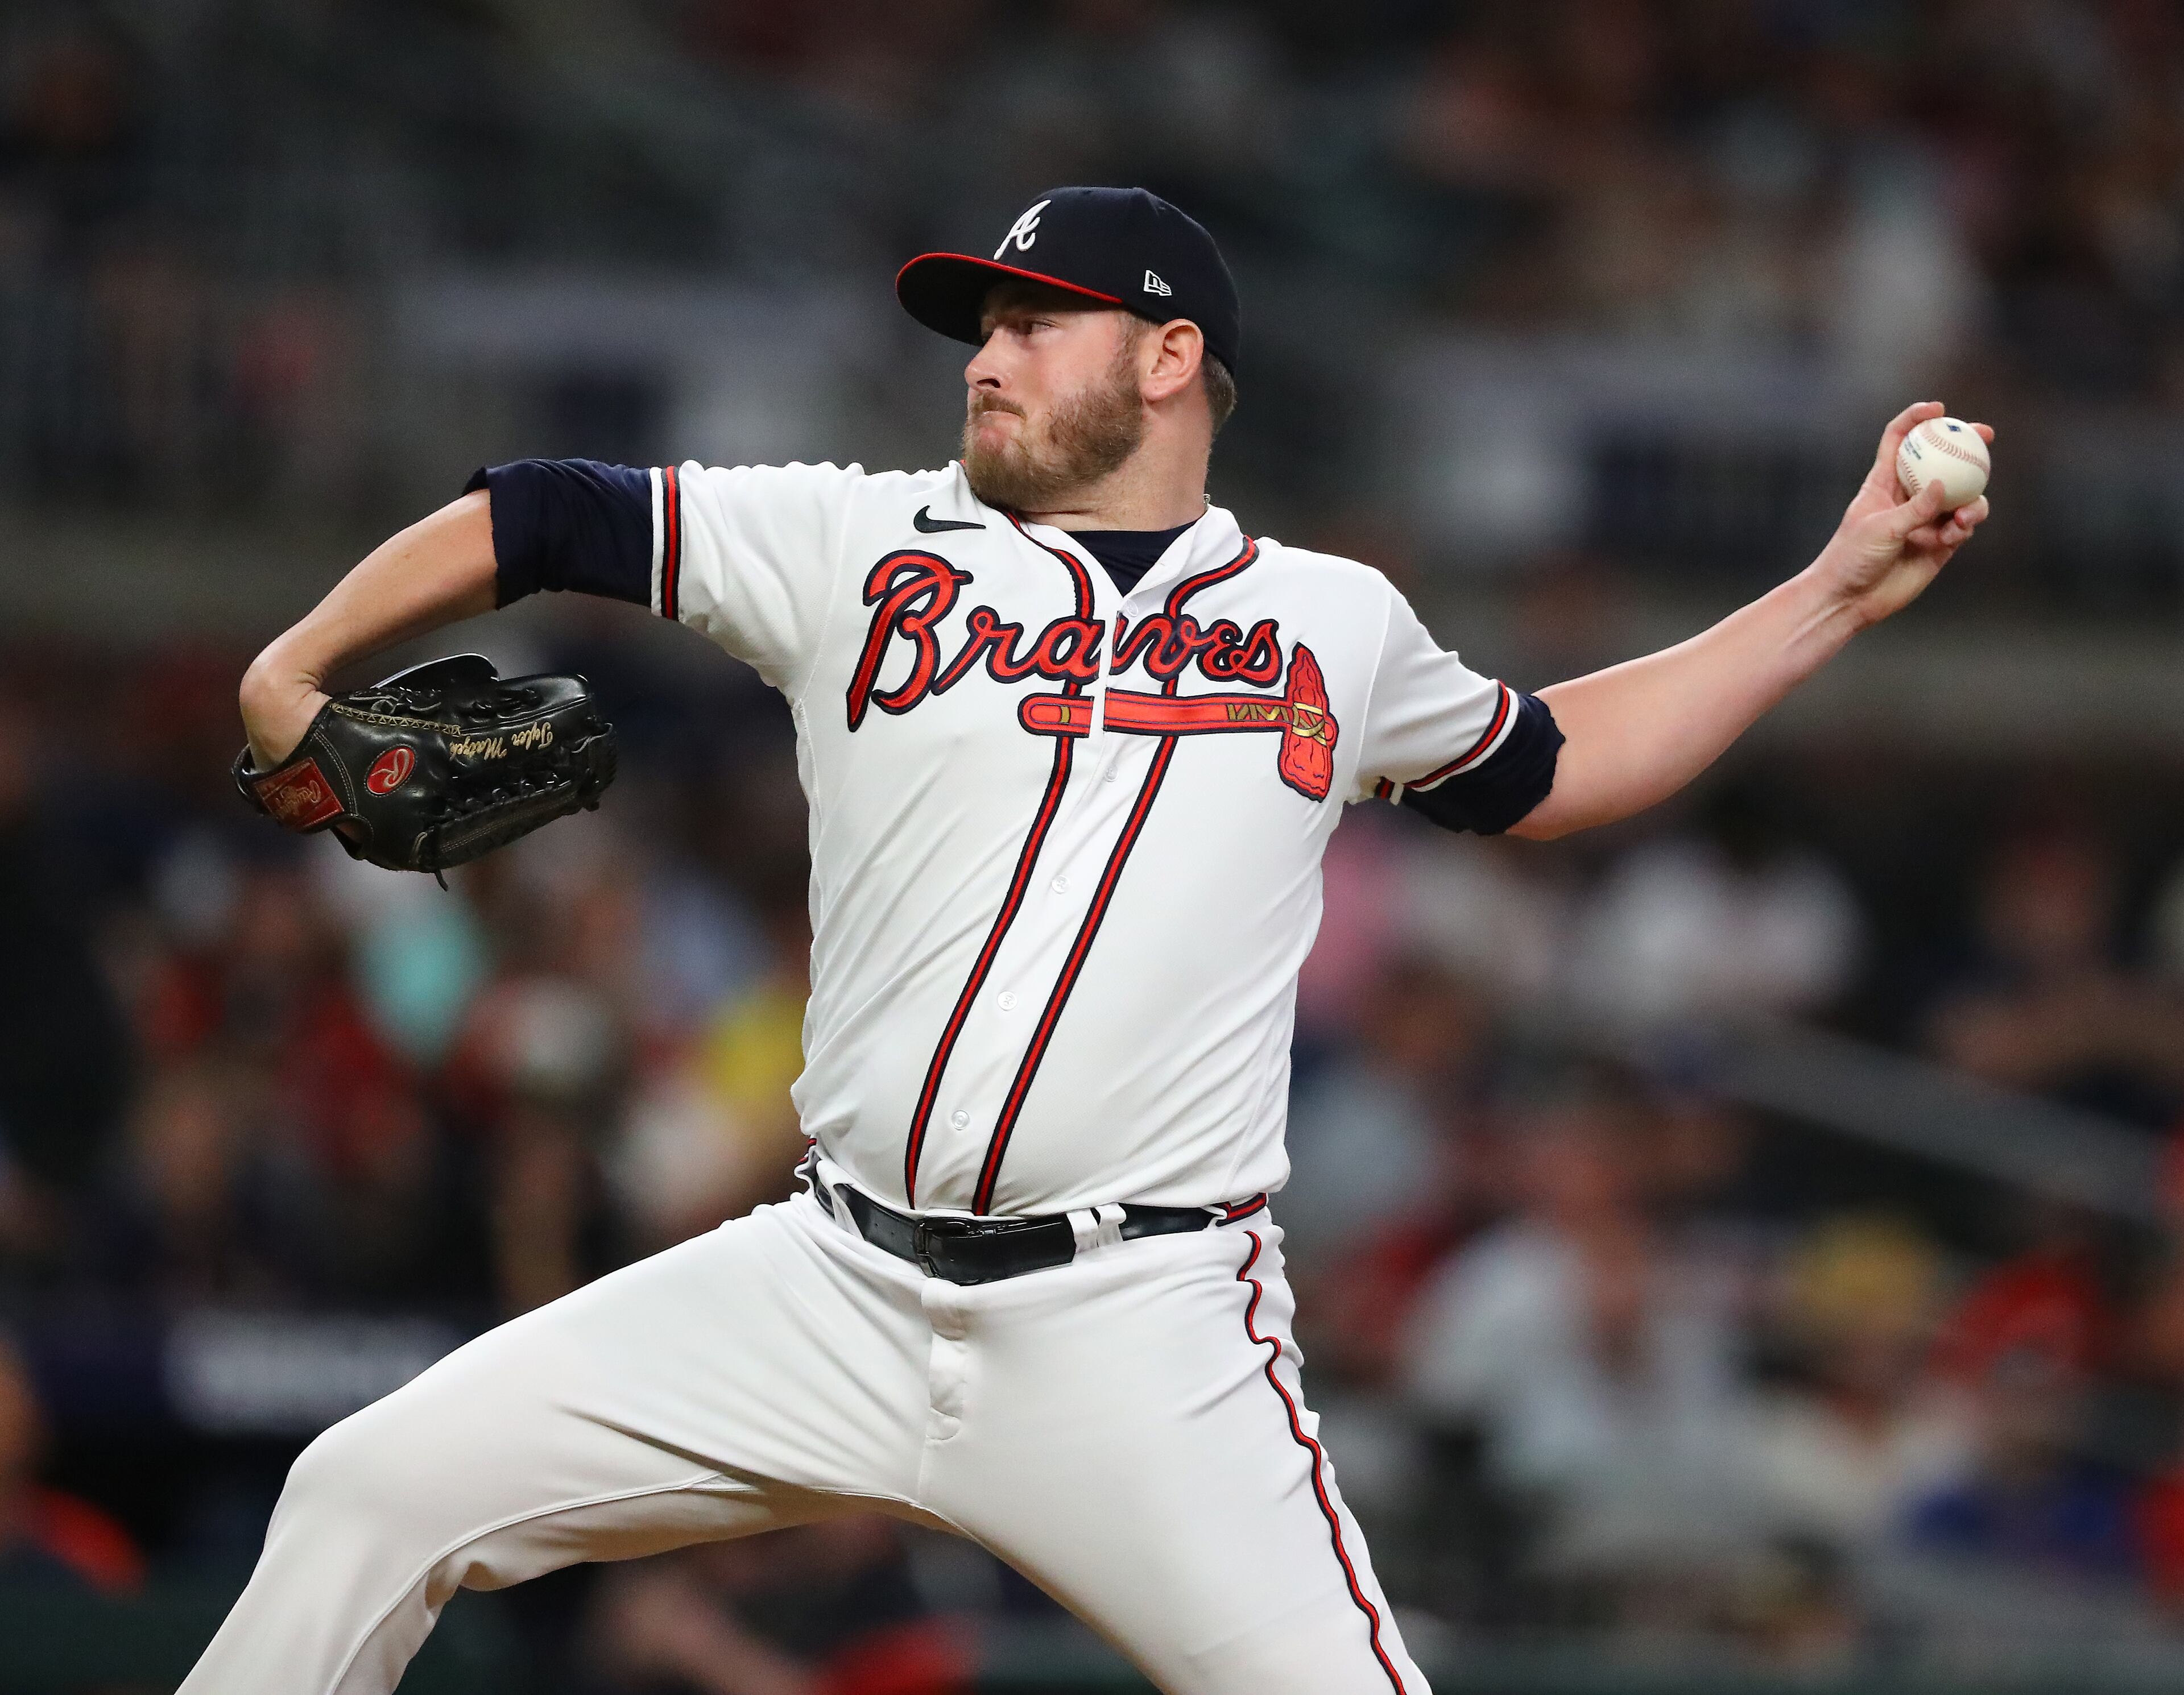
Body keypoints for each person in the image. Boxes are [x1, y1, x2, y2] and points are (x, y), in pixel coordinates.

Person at [183, 187, 1988, 1695]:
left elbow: (1554, 762)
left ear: (1171, 356)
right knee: (366, 1493)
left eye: (1037, 322)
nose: (986, 354)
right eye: (980, 325)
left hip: (1143, 1326)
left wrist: (1832, 588)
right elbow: (544, 510)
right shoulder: (857, 541)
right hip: (828, 1284)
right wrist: (291, 665)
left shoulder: (1331, 623)